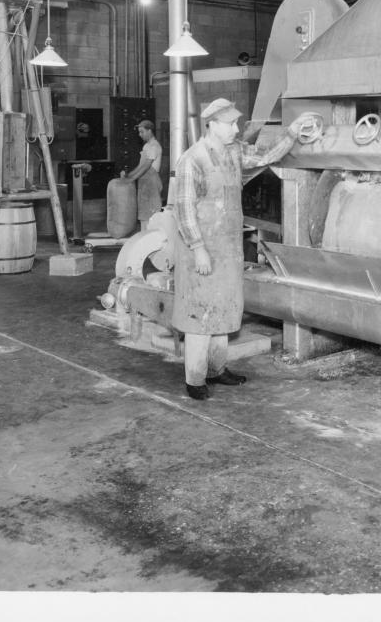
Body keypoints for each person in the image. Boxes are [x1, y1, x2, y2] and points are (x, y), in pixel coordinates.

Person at [170, 98, 315, 400]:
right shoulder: (192, 159)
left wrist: (292, 132)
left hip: (227, 248)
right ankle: (195, 380)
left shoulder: (233, 151)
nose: (236, 128)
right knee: (201, 316)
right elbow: (183, 211)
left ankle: (217, 369)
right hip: (202, 249)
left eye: (236, 123)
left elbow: (265, 156)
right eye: (230, 124)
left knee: (224, 309)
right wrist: (198, 249)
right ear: (212, 124)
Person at [121, 119, 163, 227]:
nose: (140, 135)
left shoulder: (154, 146)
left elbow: (147, 166)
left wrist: (131, 179)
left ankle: (152, 240)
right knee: (144, 215)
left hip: (151, 183)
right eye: (139, 132)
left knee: (152, 215)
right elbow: (140, 166)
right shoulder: (146, 146)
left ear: (149, 131)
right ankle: (144, 238)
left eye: (142, 132)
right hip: (144, 183)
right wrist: (128, 175)